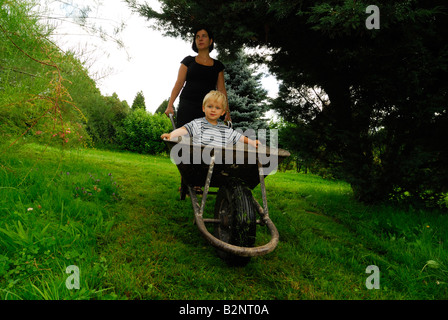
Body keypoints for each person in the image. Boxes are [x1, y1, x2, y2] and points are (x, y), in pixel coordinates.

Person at [164, 27, 231, 128]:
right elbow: (179, 83)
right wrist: (170, 105)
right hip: (187, 106)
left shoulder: (218, 66)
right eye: (197, 37)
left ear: (210, 41)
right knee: (185, 139)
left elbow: (221, 89)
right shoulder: (188, 61)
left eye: (204, 36)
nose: (200, 39)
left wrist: (227, 111)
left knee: (206, 141)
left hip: (208, 108)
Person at [161, 90, 260, 148]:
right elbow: (184, 130)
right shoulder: (198, 124)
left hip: (218, 163)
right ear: (204, 108)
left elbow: (238, 137)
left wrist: (252, 142)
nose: (213, 110)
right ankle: (196, 184)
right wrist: (171, 135)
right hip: (199, 160)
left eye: (217, 108)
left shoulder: (224, 129)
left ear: (222, 112)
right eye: (210, 106)